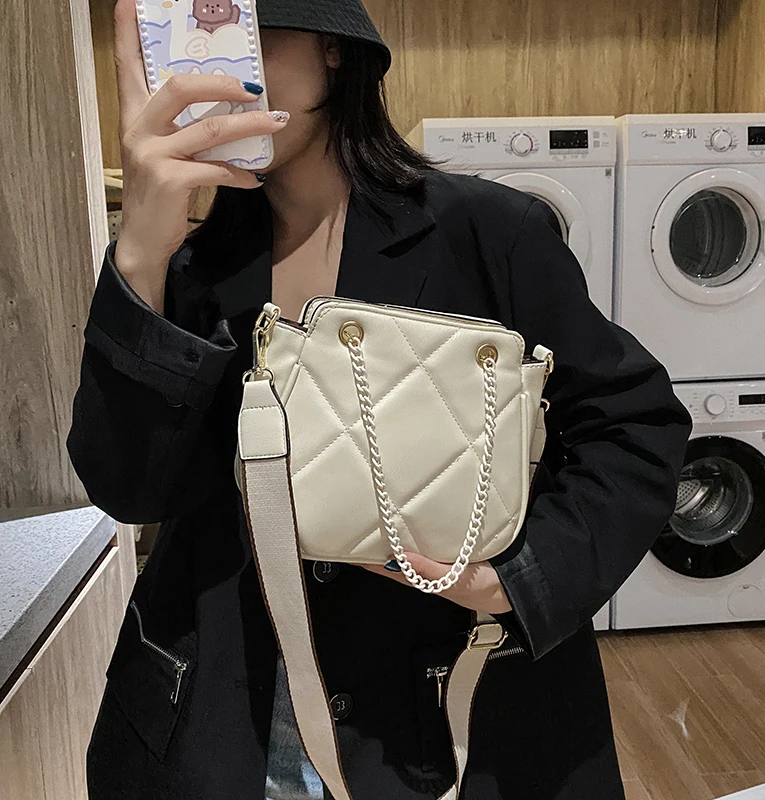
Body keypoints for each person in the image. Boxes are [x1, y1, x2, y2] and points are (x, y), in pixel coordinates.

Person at [67, 0, 692, 798]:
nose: (222, 80)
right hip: (231, 715)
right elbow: (130, 490)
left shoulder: (487, 231)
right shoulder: (187, 271)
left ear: (334, 47)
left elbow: (634, 426)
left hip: (444, 712)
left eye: (247, 39)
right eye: (192, 52)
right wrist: (141, 254)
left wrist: (518, 577)